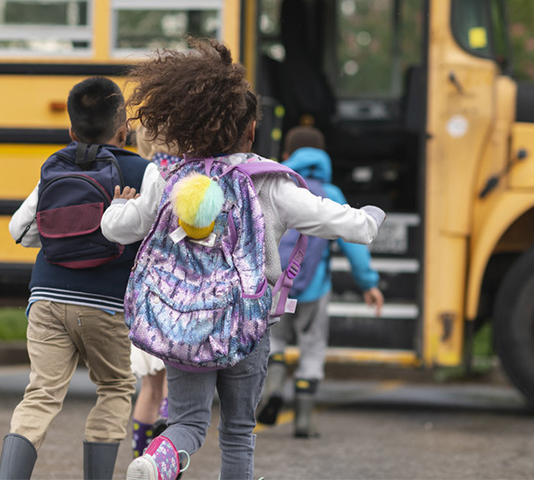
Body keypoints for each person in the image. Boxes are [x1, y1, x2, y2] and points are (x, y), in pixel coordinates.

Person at [99, 37, 386, 480]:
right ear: (251, 130)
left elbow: (119, 228)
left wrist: (116, 208)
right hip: (245, 328)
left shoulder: (165, 174)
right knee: (237, 429)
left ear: (186, 127)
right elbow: (340, 222)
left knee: (188, 423)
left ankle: (159, 461)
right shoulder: (270, 183)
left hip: (182, 324)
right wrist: (370, 218)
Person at [0, 77, 158, 480]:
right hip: (106, 305)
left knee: (41, 394)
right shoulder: (143, 171)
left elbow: (19, 230)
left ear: (71, 131)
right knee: (115, 389)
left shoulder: (55, 165)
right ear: (124, 130)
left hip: (47, 298)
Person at [257, 125, 385, 438]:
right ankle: (303, 420)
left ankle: (273, 386)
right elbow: (353, 244)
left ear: (287, 156)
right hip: (315, 288)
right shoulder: (332, 193)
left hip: (276, 286)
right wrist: (368, 283)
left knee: (276, 341)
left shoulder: (278, 188)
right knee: (312, 348)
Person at [130, 127, 182, 459]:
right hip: (178, 295)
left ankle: (140, 459)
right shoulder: (184, 177)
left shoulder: (140, 175)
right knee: (173, 389)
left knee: (149, 385)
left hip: (144, 292)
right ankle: (162, 462)